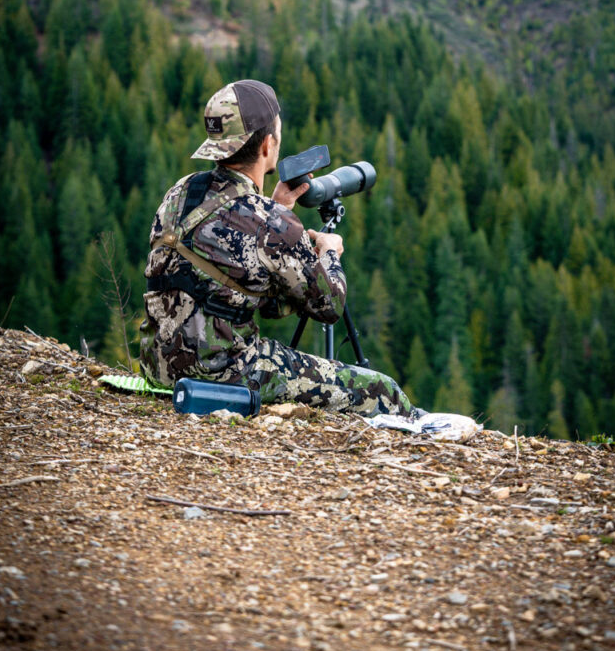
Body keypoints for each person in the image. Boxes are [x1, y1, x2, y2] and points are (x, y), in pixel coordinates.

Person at [140, 78, 417, 416]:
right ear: (268, 144)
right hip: (224, 372)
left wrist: (276, 209)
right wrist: (329, 251)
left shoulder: (180, 192)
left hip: (159, 366)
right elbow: (329, 306)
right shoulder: (271, 222)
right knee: (382, 391)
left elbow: (240, 281)